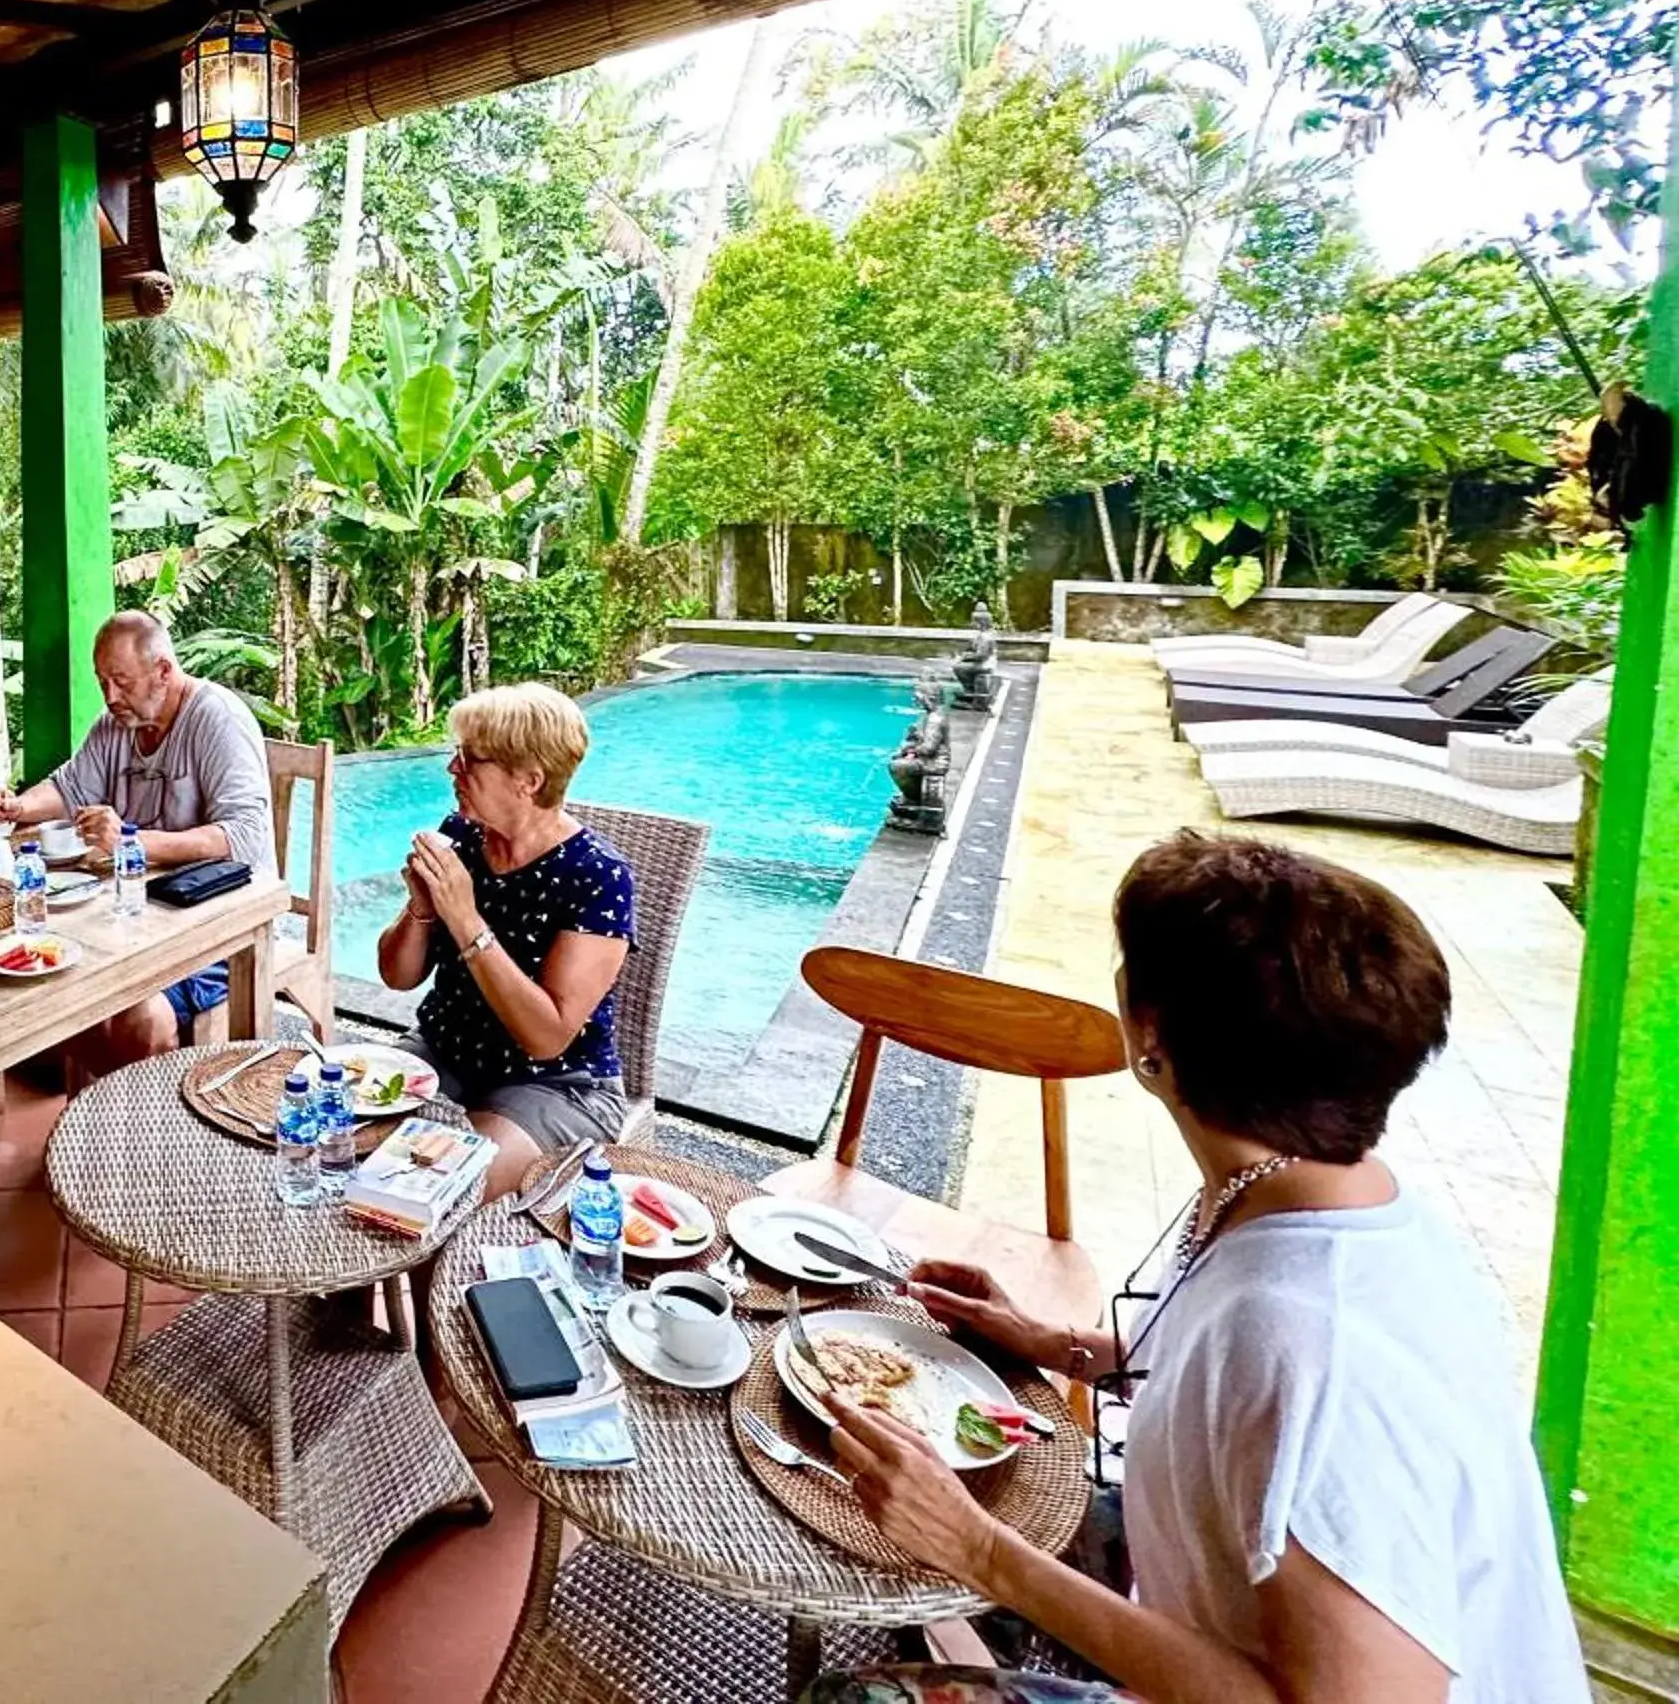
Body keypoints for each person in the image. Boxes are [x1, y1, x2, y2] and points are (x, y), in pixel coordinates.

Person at [798, 833, 1584, 1704]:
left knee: (848, 1695)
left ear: (1150, 1031)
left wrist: (980, 1550)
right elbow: (1226, 1394)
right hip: (1222, 1597)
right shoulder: (1327, 1195)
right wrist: (1060, 1343)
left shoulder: (1319, 1348)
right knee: (906, 1511)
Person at [0, 609, 275, 1075]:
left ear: (163, 670)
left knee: (140, 1018)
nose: (110, 696)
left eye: (122, 681)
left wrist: (133, 844)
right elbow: (70, 787)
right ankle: (106, 1120)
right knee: (39, 979)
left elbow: (244, 838)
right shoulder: (118, 722)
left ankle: (145, 1131)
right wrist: (18, 807)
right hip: (136, 923)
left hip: (218, 932)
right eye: (102, 682)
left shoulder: (217, 720)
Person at [373, 682, 634, 1199]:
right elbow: (397, 977)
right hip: (443, 1054)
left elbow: (548, 1036)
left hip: (555, 1083)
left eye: (470, 760)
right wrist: (423, 909)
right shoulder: (464, 837)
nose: (453, 769)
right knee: (341, 1144)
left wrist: (465, 918)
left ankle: (443, 1282)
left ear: (529, 780)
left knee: (431, 1189)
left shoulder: (598, 877)